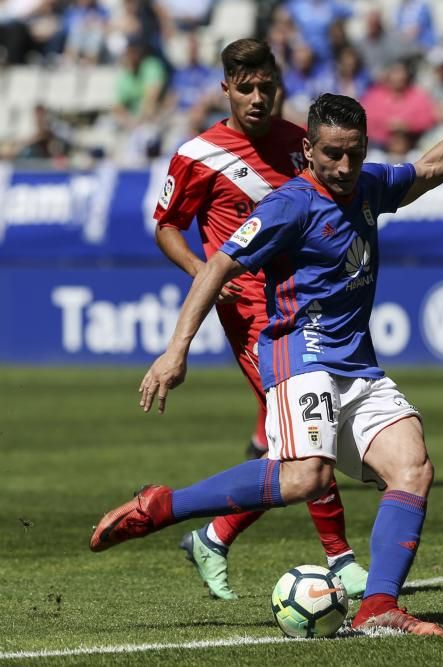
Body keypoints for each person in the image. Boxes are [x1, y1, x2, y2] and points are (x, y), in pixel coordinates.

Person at [91, 78, 443, 636]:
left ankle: (378, 609)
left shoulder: (368, 185)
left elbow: (431, 170)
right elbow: (219, 268)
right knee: (304, 477)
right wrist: (176, 352)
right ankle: (162, 506)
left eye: (354, 152)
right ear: (309, 152)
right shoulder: (287, 206)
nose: (345, 166)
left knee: (413, 468)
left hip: (358, 366)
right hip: (301, 356)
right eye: (332, 154)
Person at [151, 38, 365, 602]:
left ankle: (214, 535)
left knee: (299, 439)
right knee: (307, 437)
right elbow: (167, 225)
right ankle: (340, 561)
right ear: (225, 87)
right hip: (250, 312)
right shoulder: (198, 154)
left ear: (278, 85)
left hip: (302, 303)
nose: (256, 97)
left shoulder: (301, 143)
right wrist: (205, 272)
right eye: (244, 88)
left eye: (265, 87)